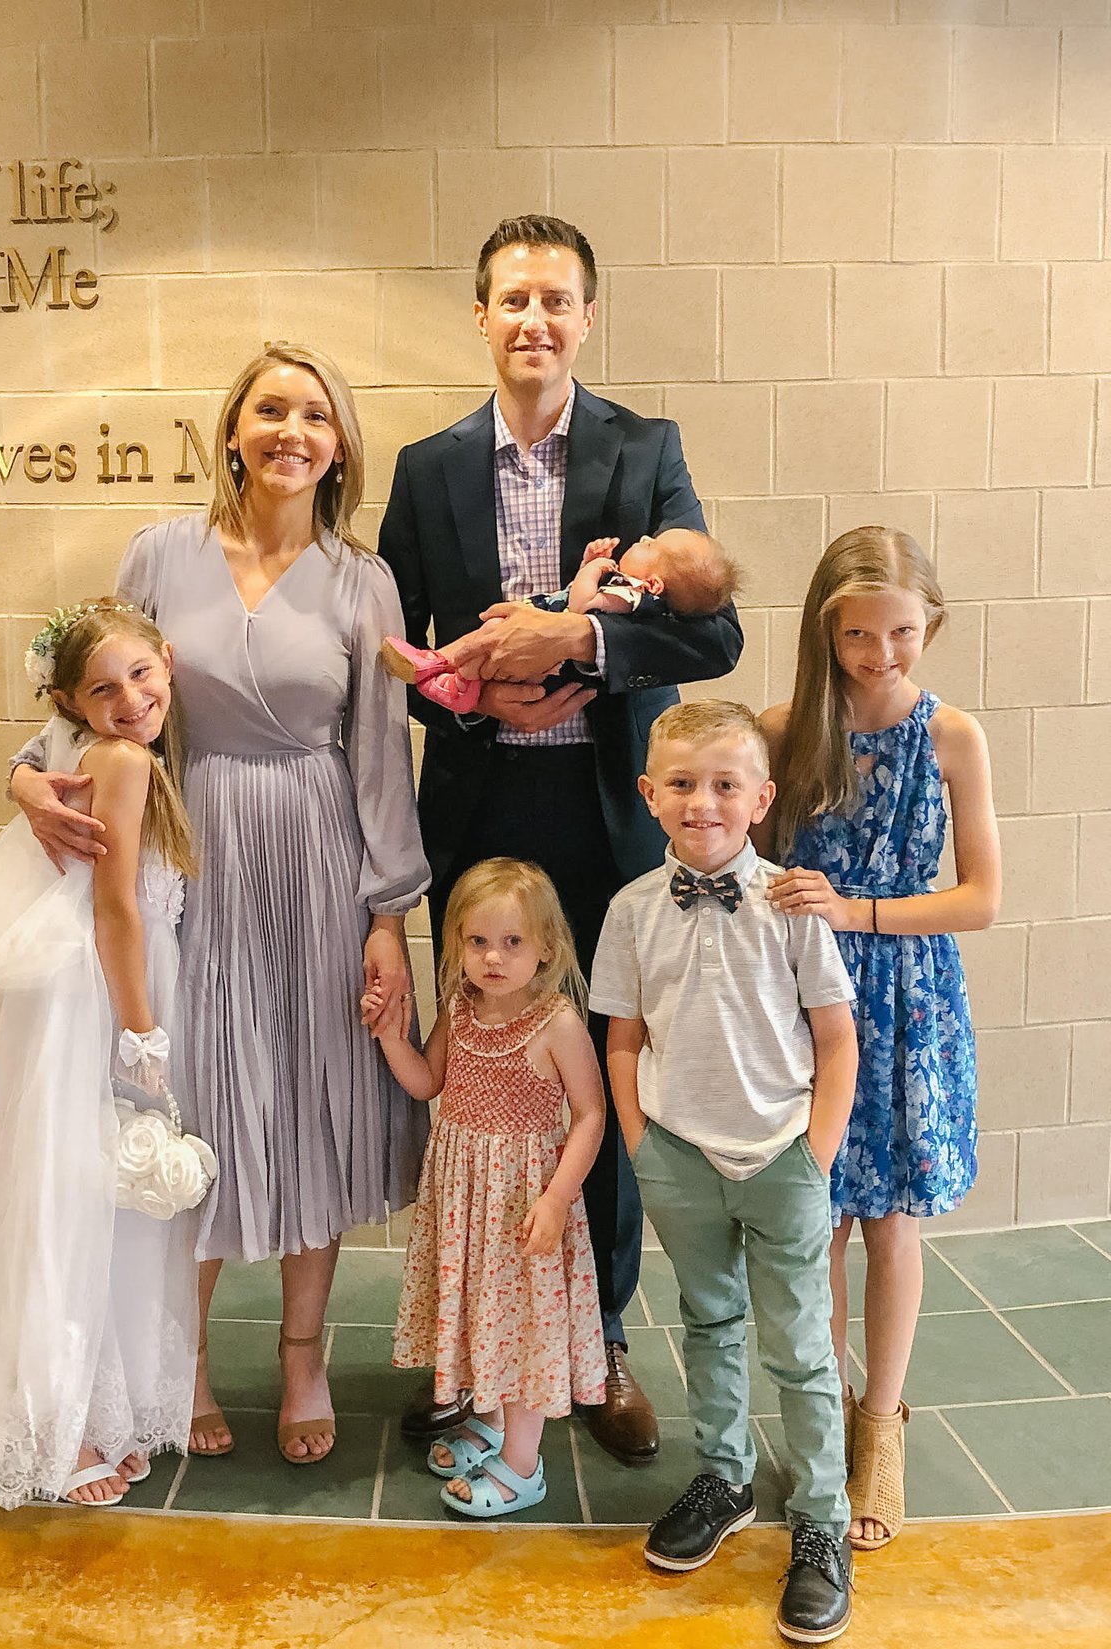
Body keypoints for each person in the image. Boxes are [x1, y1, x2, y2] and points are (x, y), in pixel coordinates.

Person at [8, 343, 430, 1467]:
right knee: (185, 1103)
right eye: (269, 409)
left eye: (315, 415)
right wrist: (23, 770)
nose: (292, 430)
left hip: (317, 860)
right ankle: (179, 1362)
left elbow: (380, 758)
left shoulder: (361, 579)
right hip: (188, 856)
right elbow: (93, 695)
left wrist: (388, 916)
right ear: (231, 430)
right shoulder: (160, 552)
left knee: (311, 1102)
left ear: (340, 447)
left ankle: (300, 1357)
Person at [379, 213, 743, 1462]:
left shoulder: (646, 455)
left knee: (600, 1081)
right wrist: (483, 683)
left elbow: (714, 635)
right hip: (477, 819)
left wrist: (578, 646)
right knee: (482, 1088)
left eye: (556, 300)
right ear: (479, 317)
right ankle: (472, 1339)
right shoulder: (426, 471)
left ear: (586, 318)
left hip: (601, 827)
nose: (533, 319)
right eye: (511, 299)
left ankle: (600, 1345)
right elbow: (394, 654)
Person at [0, 599, 201, 1507]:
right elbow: (116, 910)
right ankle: (52, 1425)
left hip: (84, 996)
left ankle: (92, 1409)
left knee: (84, 1200)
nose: (130, 698)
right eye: (103, 688)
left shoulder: (80, 751)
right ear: (72, 699)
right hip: (94, 1004)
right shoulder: (122, 762)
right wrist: (142, 1031)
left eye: (140, 675)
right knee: (65, 1201)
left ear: (168, 661)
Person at [589, 699, 860, 1644]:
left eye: (724, 784)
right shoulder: (629, 912)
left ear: (760, 797)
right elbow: (623, 1041)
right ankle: (726, 1474)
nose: (702, 801)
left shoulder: (792, 903)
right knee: (710, 1322)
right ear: (650, 794)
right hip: (679, 1155)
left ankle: (822, 1521)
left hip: (782, 1154)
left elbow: (836, 1035)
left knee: (799, 1344)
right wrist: (639, 1144)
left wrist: (813, 1152)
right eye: (683, 783)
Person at [759, 527, 1000, 1552]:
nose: (880, 655)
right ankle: (823, 1415)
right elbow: (746, 864)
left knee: (892, 1221)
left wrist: (855, 910)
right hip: (802, 1002)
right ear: (824, 629)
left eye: (901, 632)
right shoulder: (782, 729)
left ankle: (881, 1424)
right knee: (814, 1223)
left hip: (904, 998)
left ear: (929, 624)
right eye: (857, 634)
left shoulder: (951, 736)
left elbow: (980, 898)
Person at [366, 858, 607, 1517]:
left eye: (512, 942)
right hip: (465, 1199)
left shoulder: (556, 1023)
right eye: (478, 942)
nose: (494, 958)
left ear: (546, 948)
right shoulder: (460, 1011)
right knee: (482, 1314)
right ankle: (493, 1422)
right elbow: (426, 1081)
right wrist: (391, 1036)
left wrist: (556, 1197)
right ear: (456, 945)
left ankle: (523, 1464)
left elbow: (591, 1114)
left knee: (524, 1325)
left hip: (524, 1201)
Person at [383, 528, 739, 712]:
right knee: (489, 635)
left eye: (651, 546)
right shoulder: (424, 462)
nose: (644, 537)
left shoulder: (630, 595)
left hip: (568, 687)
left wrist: (594, 569)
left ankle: (446, 669)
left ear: (654, 583)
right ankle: (447, 674)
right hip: (482, 763)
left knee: (490, 633)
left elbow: (582, 605)